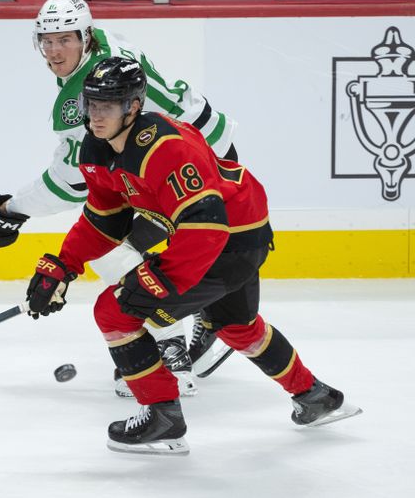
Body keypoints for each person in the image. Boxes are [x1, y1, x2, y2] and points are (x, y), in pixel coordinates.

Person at [25, 57, 362, 455]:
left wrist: (164, 278)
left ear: (133, 106)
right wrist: (64, 264)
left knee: (115, 311)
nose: (96, 116)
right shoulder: (97, 149)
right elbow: (105, 220)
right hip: (223, 231)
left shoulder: (166, 147)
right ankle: (316, 397)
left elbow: (208, 222)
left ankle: (163, 419)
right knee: (236, 325)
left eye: (108, 106)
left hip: (230, 238)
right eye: (91, 105)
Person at [0, 0, 234, 398]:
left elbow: (72, 183)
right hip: (200, 146)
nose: (54, 50)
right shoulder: (106, 47)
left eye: (64, 40)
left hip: (191, 167)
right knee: (135, 245)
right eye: (47, 40)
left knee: (116, 251)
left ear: (85, 36)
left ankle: (172, 353)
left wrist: (12, 210)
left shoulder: (85, 97)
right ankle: (206, 323)